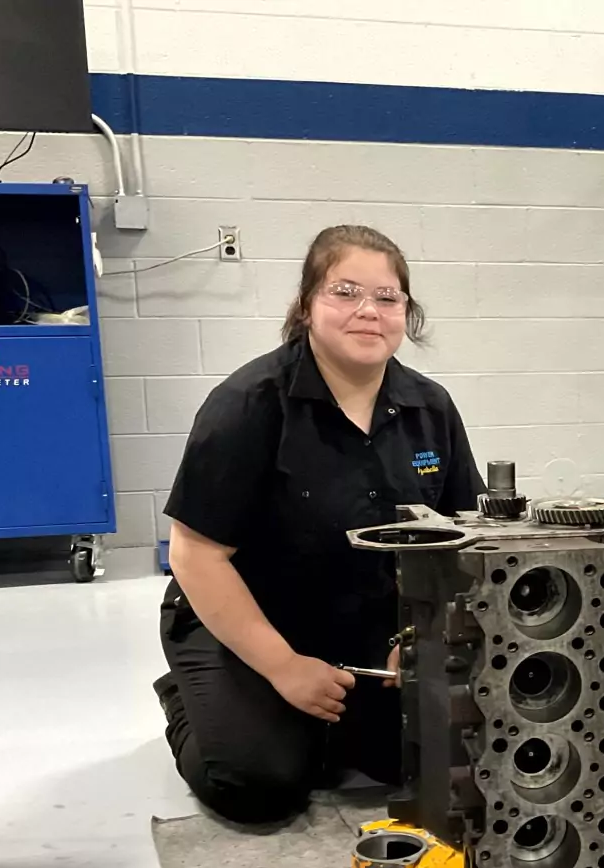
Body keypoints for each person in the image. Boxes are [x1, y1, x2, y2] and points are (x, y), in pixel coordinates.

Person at [153, 225, 484, 825]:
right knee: (259, 783)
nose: (369, 312)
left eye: (387, 298)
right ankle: (187, 695)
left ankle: (327, 725)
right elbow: (195, 556)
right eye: (345, 292)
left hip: (373, 628)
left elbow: (464, 543)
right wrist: (282, 667)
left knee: (419, 759)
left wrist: (418, 640)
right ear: (306, 305)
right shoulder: (249, 404)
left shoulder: (430, 409)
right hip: (248, 620)